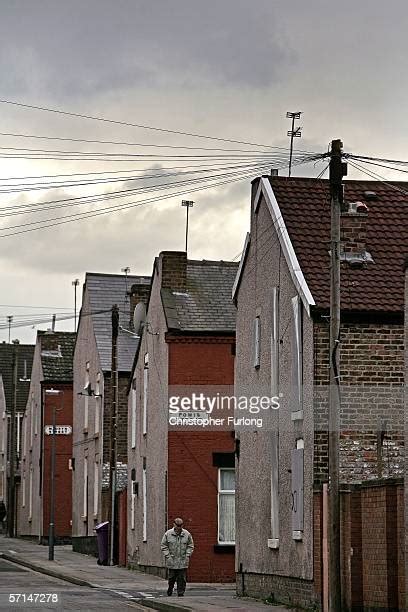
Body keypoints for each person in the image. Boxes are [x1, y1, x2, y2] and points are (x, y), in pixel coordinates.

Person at [160, 517, 194, 597]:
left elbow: (190, 545)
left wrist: (187, 555)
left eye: (180, 526)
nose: (179, 528)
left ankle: (180, 593)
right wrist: (168, 556)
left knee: (182, 578)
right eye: (177, 526)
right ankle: (170, 588)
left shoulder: (187, 534)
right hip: (172, 560)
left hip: (183, 560)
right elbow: (164, 545)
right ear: (174, 524)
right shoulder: (168, 534)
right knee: (171, 578)